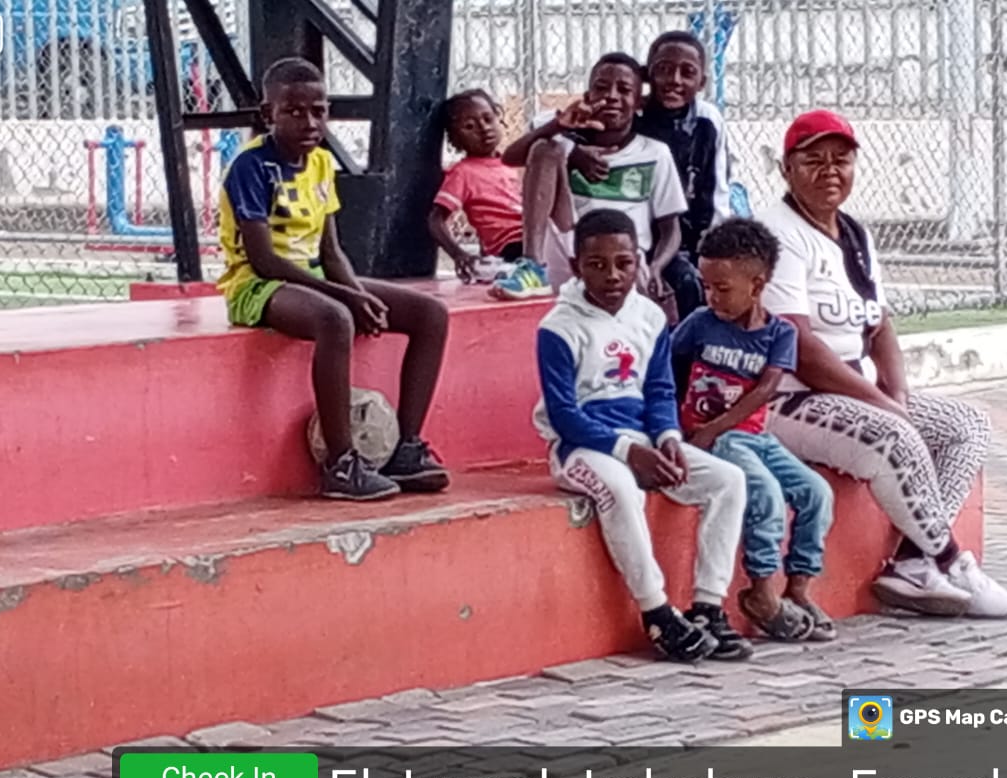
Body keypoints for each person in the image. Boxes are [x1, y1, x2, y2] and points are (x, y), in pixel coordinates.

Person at [760, 109, 1007, 618]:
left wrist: (896, 396)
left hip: (855, 392)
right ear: (787, 168)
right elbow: (798, 346)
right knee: (894, 434)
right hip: (790, 399)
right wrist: (886, 408)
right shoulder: (778, 233)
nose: (829, 171)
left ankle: (913, 561)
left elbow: (880, 326)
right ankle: (951, 559)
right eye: (813, 160)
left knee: (966, 425)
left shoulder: (854, 233)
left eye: (841, 160)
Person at [217, 57, 450, 500]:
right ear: (268, 114)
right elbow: (264, 261)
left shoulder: (322, 163)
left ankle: (406, 448)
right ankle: (341, 464)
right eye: (293, 111)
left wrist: (360, 294)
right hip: (257, 286)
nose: (309, 122)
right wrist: (345, 297)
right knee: (335, 318)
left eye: (318, 111)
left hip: (312, 277)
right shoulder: (251, 167)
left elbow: (330, 252)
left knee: (430, 314)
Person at [535, 209, 753, 662]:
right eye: (597, 265)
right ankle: (657, 613)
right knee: (619, 489)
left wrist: (668, 437)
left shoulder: (650, 316)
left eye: (624, 263)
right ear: (576, 267)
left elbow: (659, 390)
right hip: (581, 448)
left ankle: (707, 608)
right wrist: (629, 452)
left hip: (643, 439)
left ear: (639, 261)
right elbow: (563, 414)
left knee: (728, 480)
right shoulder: (557, 327)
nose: (612, 275)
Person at [673, 219, 837, 643]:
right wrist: (680, 428)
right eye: (706, 286)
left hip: (754, 436)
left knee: (817, 492)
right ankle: (761, 591)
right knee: (764, 492)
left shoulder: (780, 334)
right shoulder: (700, 323)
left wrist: (713, 428)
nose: (711, 297)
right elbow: (669, 367)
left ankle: (798, 589)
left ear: (757, 285)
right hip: (722, 442)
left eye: (722, 288)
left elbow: (765, 389)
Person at [493, 52, 687, 310]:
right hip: (570, 248)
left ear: (638, 103)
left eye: (624, 90)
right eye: (602, 88)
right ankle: (532, 266)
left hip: (621, 260)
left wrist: (657, 268)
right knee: (544, 148)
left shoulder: (655, 153)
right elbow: (510, 157)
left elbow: (671, 229)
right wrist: (562, 132)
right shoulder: (560, 135)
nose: (612, 96)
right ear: (587, 97)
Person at [635, 30, 731, 323]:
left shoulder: (707, 120)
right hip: (639, 238)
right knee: (682, 281)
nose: (674, 80)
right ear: (647, 74)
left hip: (690, 241)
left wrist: (711, 251)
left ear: (702, 82)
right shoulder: (632, 116)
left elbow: (716, 194)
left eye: (687, 72)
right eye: (664, 69)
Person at [428, 88, 525, 283]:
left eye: (488, 119)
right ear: (455, 140)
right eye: (470, 126)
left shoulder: (510, 162)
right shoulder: (463, 172)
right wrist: (458, 254)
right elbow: (436, 219)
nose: (484, 129)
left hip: (533, 234)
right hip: (510, 245)